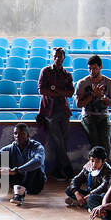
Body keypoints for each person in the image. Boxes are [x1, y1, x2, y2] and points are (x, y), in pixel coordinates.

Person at [0, 123, 45, 206]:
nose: (18, 136)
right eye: (15, 133)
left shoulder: (37, 147)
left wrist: (17, 170)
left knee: (34, 164)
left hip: (34, 184)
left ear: (28, 135)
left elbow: (38, 161)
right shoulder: (11, 147)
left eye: (22, 133)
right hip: (16, 181)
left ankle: (20, 194)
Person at [36, 47, 75, 180]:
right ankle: (68, 169)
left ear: (64, 57)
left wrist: (54, 90)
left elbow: (70, 93)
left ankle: (58, 171)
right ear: (52, 57)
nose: (57, 58)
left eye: (60, 56)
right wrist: (60, 92)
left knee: (63, 142)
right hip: (49, 111)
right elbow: (42, 90)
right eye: (55, 56)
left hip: (63, 111)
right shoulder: (45, 71)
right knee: (58, 141)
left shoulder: (67, 74)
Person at [74, 55, 111, 155]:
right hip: (88, 115)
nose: (92, 71)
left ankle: (105, 166)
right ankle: (96, 165)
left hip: (103, 115)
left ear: (100, 67)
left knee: (105, 143)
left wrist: (102, 96)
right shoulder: (82, 83)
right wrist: (92, 96)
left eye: (95, 68)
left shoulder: (109, 82)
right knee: (95, 142)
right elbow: (79, 104)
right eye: (90, 69)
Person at [65, 146, 111, 210]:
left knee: (93, 199)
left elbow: (104, 187)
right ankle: (83, 202)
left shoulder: (108, 171)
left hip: (100, 194)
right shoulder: (88, 166)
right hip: (89, 193)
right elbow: (76, 180)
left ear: (104, 161)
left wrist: (88, 196)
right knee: (70, 189)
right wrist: (77, 194)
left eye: (97, 161)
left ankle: (81, 203)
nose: (93, 164)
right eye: (92, 161)